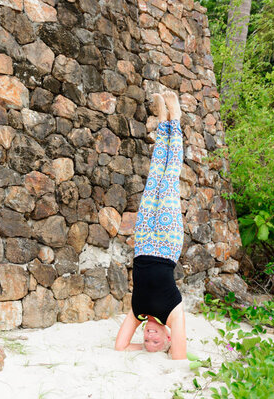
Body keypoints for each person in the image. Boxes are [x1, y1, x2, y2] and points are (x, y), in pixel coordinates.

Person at [114, 91, 187, 360]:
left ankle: (162, 121)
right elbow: (179, 358)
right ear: (169, 335)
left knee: (154, 177)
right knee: (169, 178)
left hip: (143, 243)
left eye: (146, 340)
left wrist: (143, 349)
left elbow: (120, 347)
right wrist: (169, 349)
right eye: (156, 341)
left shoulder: (138, 310)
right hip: (167, 244)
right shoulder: (173, 311)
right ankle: (175, 120)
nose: (149, 338)